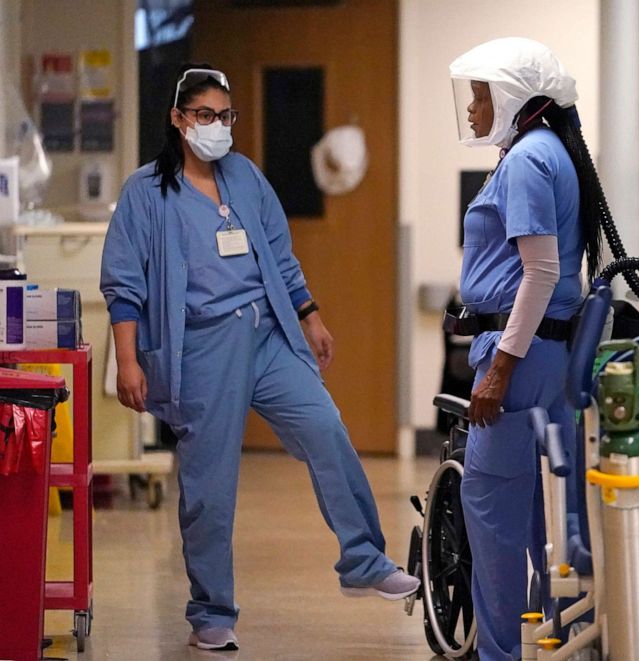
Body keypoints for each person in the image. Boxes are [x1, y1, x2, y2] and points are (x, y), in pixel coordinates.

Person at [100, 64, 419, 652]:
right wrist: (128, 360)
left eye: (225, 117)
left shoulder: (245, 177)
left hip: (267, 334)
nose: (216, 127)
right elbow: (124, 284)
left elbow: (279, 254)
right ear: (177, 119)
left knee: (326, 429)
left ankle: (364, 559)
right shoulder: (147, 193)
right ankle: (211, 612)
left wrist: (311, 315)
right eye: (204, 115)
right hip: (201, 347)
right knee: (209, 487)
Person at [447, 38, 605, 660]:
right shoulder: (548, 151)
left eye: (481, 94)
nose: (472, 108)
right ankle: (567, 643)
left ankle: (499, 654)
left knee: (488, 509)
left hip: (522, 356)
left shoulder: (528, 160)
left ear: (514, 96)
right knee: (549, 516)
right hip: (552, 356)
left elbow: (539, 273)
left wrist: (498, 371)